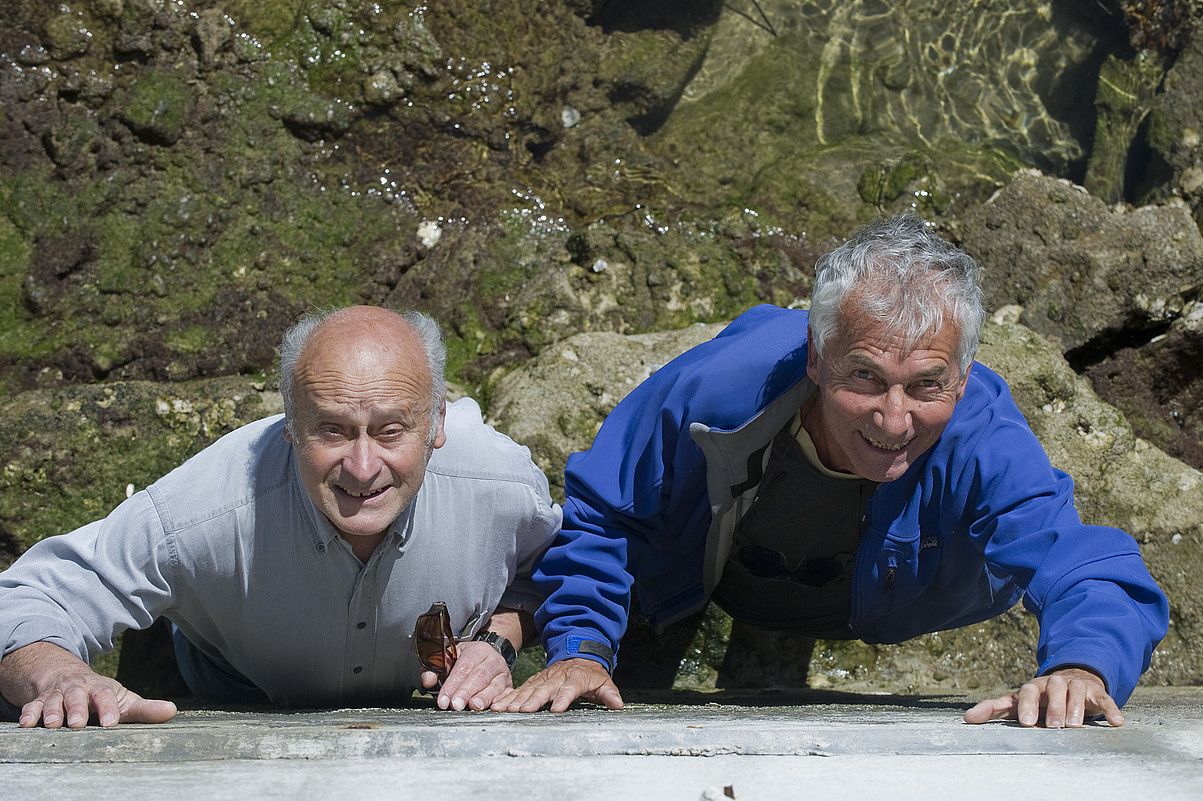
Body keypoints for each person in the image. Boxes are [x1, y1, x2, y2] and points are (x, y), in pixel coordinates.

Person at [495, 214, 1169, 728]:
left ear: (962, 379)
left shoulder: (982, 432)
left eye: (926, 385)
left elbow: (1088, 563)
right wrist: (581, 646)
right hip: (733, 579)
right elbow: (604, 513)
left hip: (919, 593)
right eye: (865, 377)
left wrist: (1080, 666)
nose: (893, 419)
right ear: (816, 357)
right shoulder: (712, 392)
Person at [0, 306, 561, 728]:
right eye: (331, 430)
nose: (363, 468)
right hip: (234, 689)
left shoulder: (500, 486)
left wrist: (499, 640)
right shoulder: (205, 510)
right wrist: (62, 678)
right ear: (289, 424)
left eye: (391, 431)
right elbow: (31, 595)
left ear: (436, 423)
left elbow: (559, 570)